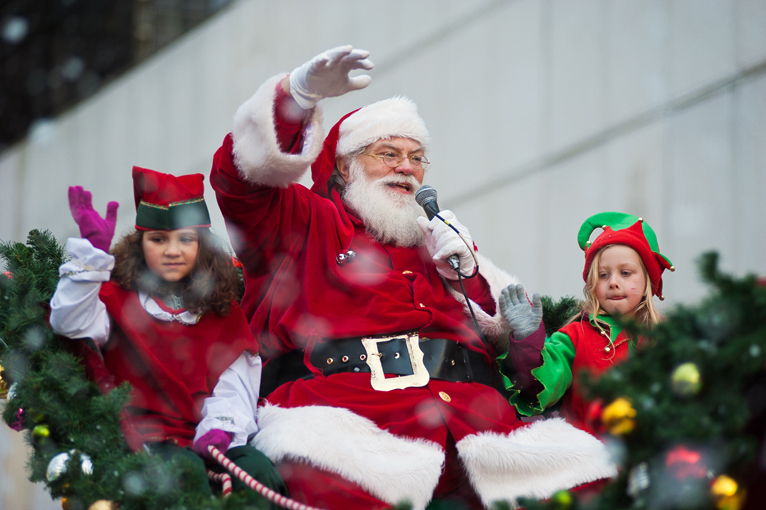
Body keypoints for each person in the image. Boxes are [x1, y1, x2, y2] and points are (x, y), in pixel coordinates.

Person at [210, 45, 617, 509]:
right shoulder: (306, 223)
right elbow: (240, 182)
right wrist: (295, 99)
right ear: (345, 167)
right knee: (326, 479)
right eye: (389, 153)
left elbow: (519, 372)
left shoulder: (443, 244)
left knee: (594, 474)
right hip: (348, 427)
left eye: (417, 157)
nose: (407, 167)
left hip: (478, 430)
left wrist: (481, 286)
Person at [49, 167, 286, 500]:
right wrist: (91, 260)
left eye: (185, 239)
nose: (172, 251)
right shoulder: (115, 299)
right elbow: (68, 322)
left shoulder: (222, 312)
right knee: (184, 472)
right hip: (139, 443)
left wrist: (220, 426)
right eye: (158, 239)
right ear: (139, 244)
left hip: (208, 438)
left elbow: (234, 385)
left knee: (257, 469)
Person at [498, 212, 674, 431]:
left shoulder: (668, 337)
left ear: (648, 280)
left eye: (626, 273)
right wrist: (526, 340)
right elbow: (542, 382)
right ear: (592, 284)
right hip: (588, 458)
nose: (613, 282)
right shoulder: (575, 336)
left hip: (652, 459)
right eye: (603, 275)